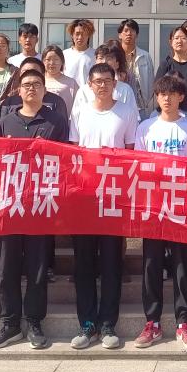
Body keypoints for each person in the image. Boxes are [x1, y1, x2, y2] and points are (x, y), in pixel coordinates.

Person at [0, 68, 68, 350]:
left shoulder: (56, 121)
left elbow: (64, 159)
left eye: (36, 84)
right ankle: (10, 323)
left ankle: (34, 322)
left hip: (40, 203)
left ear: (45, 90)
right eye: (26, 84)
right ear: (18, 91)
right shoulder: (6, 120)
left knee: (37, 267)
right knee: (7, 267)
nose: (31, 88)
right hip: (9, 204)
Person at [68, 63, 139, 350]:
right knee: (84, 263)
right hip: (85, 196)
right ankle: (87, 324)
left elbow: (132, 152)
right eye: (97, 81)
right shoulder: (80, 112)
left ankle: (108, 323)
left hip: (114, 196)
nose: (102, 85)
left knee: (111, 263)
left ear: (115, 83)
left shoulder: (127, 112)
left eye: (107, 80)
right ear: (89, 84)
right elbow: (73, 151)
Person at [133, 74, 187, 350]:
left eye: (172, 94)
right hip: (153, 206)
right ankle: (152, 322)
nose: (166, 99)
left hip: (183, 207)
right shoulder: (145, 128)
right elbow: (138, 166)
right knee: (151, 263)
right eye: (162, 94)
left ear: (181, 97)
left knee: (182, 265)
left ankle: (183, 322)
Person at [72, 44, 137, 115]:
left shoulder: (125, 90)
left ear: (117, 64)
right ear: (95, 62)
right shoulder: (83, 91)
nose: (104, 62)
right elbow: (75, 118)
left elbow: (133, 117)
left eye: (109, 58)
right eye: (101, 58)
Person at [118, 18, 156, 120]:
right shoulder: (114, 56)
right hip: (118, 104)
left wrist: (145, 101)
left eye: (132, 31)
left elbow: (151, 82)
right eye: (126, 31)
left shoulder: (145, 56)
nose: (129, 34)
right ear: (120, 35)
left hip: (139, 107)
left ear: (137, 35)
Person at [42, 44, 79, 113]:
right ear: (43, 61)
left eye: (56, 59)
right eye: (48, 59)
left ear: (62, 61)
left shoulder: (71, 83)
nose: (52, 63)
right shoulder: (38, 81)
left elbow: (78, 106)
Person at [63, 18, 96, 85]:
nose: (80, 37)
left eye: (84, 34)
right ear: (72, 35)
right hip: (69, 91)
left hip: (89, 91)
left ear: (89, 35)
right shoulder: (64, 54)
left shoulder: (95, 55)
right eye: (77, 34)